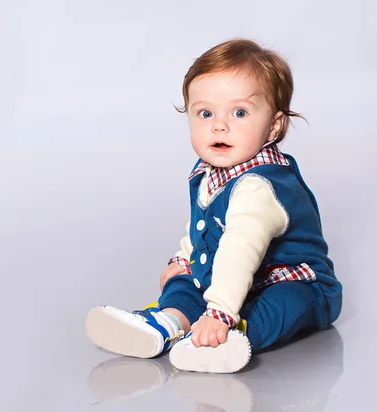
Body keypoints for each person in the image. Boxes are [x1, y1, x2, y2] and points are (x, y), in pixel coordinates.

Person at [85, 38, 343, 374]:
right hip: (234, 278)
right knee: (185, 281)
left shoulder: (259, 187)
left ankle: (229, 335)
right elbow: (202, 229)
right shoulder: (210, 173)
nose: (219, 125)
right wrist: (182, 260)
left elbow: (238, 250)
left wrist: (220, 312)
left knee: (279, 305)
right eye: (205, 113)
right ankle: (167, 322)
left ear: (274, 125)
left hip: (292, 281)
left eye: (239, 113)